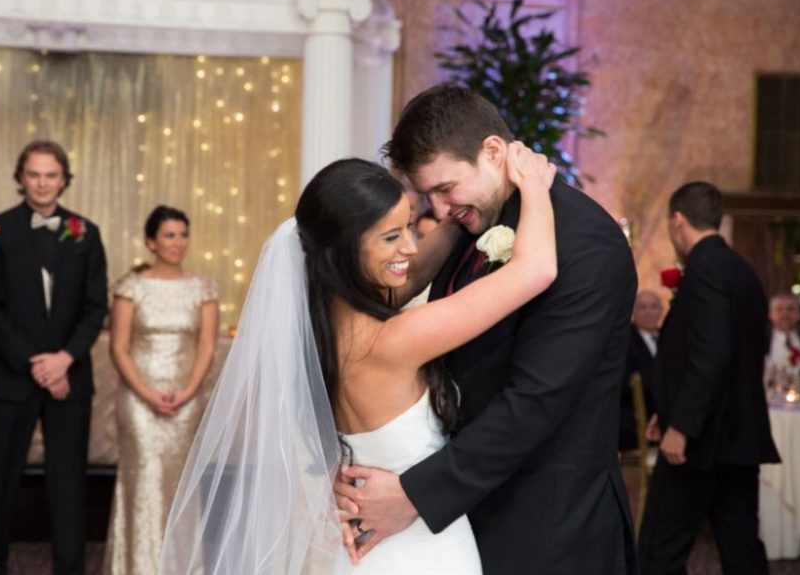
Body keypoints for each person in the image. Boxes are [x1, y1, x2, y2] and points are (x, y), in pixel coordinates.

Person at [160, 143, 558, 574]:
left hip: (368, 551)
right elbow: (536, 269)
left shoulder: (326, 330)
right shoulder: (392, 341)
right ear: (346, 251)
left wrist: (456, 213)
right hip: (422, 550)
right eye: (392, 236)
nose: (409, 246)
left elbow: (414, 268)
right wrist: (533, 185)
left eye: (409, 227)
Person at [336, 84, 639, 574]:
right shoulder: (473, 224)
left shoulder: (585, 243)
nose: (437, 209)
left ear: (493, 152)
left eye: (444, 188)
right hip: (471, 509)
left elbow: (536, 401)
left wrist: (414, 494)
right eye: (428, 195)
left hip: (549, 524)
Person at [0, 140, 107, 575]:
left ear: (64, 179)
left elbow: (94, 308)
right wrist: (36, 363)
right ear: (20, 178)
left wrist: (64, 360)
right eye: (34, 174)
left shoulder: (86, 232)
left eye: (51, 175)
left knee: (68, 486)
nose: (43, 183)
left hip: (70, 376)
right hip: (9, 377)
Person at [638, 182, 781, 575]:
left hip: (699, 442)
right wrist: (666, 410)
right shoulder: (743, 271)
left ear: (678, 220)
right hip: (737, 435)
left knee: (659, 548)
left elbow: (711, 356)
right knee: (740, 547)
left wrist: (681, 425)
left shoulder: (704, 271)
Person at [103, 205, 220, 574]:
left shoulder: (203, 287)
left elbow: (206, 346)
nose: (178, 242)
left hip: (187, 401)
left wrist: (187, 392)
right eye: (169, 235)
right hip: (139, 402)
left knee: (181, 487)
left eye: (183, 234)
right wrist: (146, 393)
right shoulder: (130, 287)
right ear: (152, 241)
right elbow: (118, 347)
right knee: (144, 484)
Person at [620, 289, 662, 451]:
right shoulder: (625, 341)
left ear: (661, 310)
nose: (648, 312)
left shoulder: (668, 338)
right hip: (637, 416)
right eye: (642, 307)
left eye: (653, 307)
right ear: (633, 311)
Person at [767, 292, 800, 365]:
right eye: (779, 309)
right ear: (770, 314)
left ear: (799, 314)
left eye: (790, 309)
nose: (785, 314)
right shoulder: (760, 341)